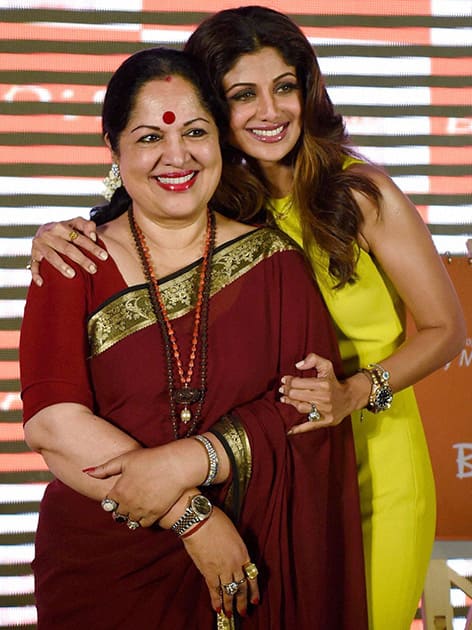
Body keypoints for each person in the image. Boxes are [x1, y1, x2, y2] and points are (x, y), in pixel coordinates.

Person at [26, 7, 466, 630]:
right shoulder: (216, 205)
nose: (271, 110)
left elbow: (447, 328)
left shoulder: (357, 193)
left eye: (285, 87)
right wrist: (52, 236)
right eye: (242, 95)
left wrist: (353, 393)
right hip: (256, 475)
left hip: (371, 451)